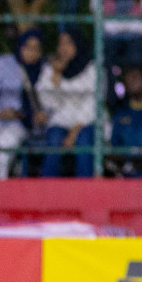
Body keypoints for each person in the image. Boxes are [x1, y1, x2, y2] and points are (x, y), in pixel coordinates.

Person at [35, 29, 98, 178]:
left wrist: (76, 129)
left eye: (68, 43)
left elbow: (93, 104)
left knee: (84, 140)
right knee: (54, 138)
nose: (63, 48)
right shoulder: (51, 69)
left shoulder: (93, 68)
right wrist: (55, 77)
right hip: (61, 122)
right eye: (60, 44)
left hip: (89, 122)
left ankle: (86, 191)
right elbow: (48, 103)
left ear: (78, 44)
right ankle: (48, 192)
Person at [0, 29, 43, 178]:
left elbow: (44, 106)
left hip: (18, 123)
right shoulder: (5, 63)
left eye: (36, 49)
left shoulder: (41, 70)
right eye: (28, 47)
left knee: (6, 143)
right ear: (20, 46)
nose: (32, 52)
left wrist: (19, 114)